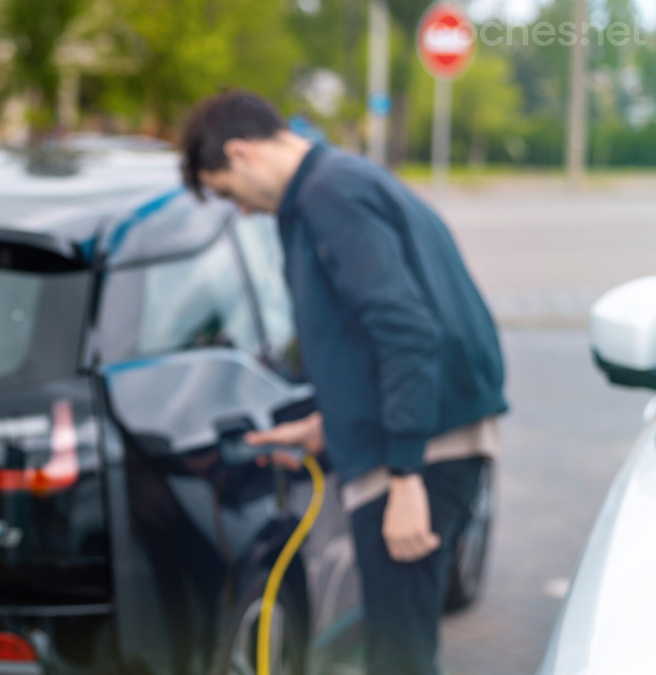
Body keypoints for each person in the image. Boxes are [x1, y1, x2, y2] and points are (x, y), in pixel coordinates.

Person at [180, 91, 507, 675]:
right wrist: (331, 422)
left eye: (228, 192)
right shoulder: (341, 181)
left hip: (418, 455)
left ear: (242, 152)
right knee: (397, 647)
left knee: (398, 656)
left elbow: (406, 329)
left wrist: (405, 477)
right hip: (421, 439)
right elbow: (369, 331)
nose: (244, 211)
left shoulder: (328, 195)